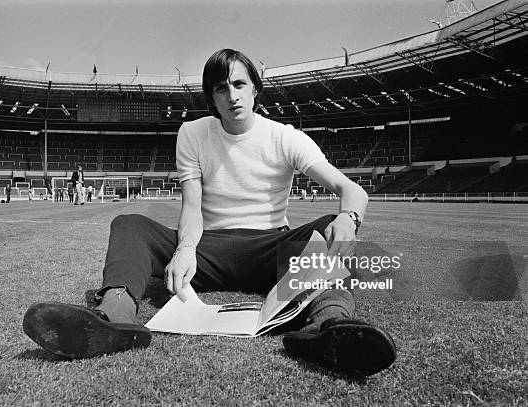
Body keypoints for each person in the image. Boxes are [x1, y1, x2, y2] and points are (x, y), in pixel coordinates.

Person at [23, 49, 396, 377]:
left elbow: (352, 191)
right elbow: (192, 206)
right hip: (208, 250)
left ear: (255, 90)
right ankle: (115, 317)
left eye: (239, 84)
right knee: (129, 224)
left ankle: (332, 327)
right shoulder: (192, 133)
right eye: (221, 88)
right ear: (212, 99)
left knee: (332, 226)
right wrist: (185, 249)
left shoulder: (286, 137)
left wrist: (350, 218)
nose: (232, 95)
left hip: (272, 249)